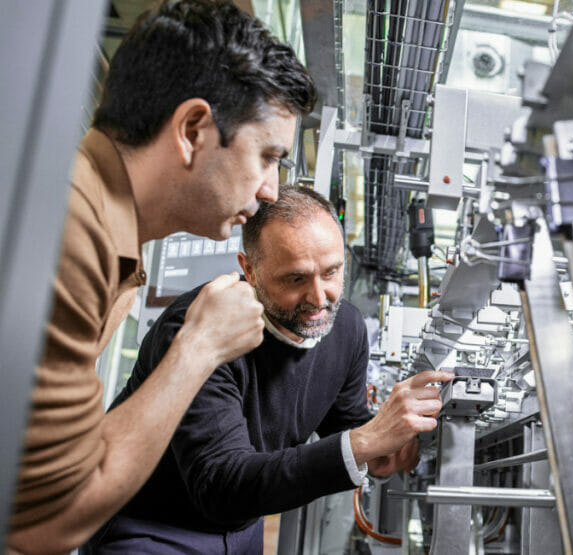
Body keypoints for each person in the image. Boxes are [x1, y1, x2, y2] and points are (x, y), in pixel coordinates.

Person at [8, 2, 318, 552]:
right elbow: (46, 517)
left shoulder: (104, 231)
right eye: (267, 156)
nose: (271, 190)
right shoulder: (70, 234)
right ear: (193, 130)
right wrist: (199, 347)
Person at [82, 186, 451, 552]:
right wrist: (362, 443)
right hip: (152, 525)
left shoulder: (346, 329)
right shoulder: (199, 328)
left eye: (331, 272)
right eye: (295, 279)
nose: (319, 298)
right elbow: (219, 484)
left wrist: (384, 447)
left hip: (243, 525)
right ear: (250, 270)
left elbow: (344, 422)